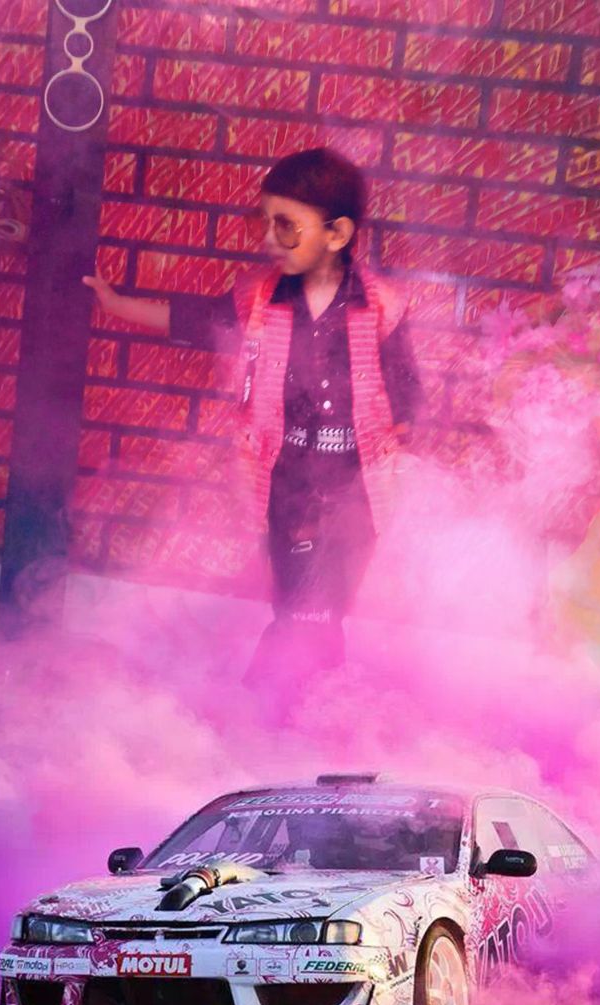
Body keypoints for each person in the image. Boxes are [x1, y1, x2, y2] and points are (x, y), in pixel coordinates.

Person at [84, 148, 421, 691]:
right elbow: (195, 319)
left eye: (286, 226)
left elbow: (406, 392)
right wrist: (118, 305)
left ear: (337, 234)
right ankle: (293, 700)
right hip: (286, 485)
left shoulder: (381, 304)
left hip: (356, 491)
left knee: (321, 609)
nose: (268, 239)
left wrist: (401, 462)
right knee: (300, 605)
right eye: (263, 223)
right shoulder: (259, 300)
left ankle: (284, 700)